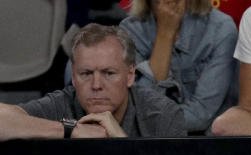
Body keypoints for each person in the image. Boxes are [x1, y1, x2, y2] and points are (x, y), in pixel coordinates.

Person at [0, 24, 185, 140]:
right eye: (86, 73)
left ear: (130, 76)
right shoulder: (61, 104)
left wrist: (121, 143)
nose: (96, 85)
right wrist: (70, 130)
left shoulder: (163, 116)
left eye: (109, 73)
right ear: (73, 77)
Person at [120, 0, 238, 133]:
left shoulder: (221, 29)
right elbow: (141, 103)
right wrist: (164, 35)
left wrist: (147, 120)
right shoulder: (130, 30)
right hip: (148, 140)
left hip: (207, 143)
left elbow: (201, 114)